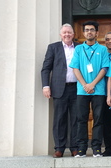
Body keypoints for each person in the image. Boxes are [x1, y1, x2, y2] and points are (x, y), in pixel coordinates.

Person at [69, 21, 109, 157]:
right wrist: (85, 84)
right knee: (81, 119)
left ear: (97, 33)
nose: (89, 32)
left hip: (99, 90)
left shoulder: (103, 49)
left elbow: (104, 68)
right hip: (82, 90)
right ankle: (81, 148)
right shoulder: (78, 49)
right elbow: (75, 68)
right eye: (86, 30)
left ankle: (97, 148)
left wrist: (92, 84)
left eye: (92, 30)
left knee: (98, 119)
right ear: (84, 33)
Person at [41, 23, 79, 158]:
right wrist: (46, 86)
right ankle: (59, 148)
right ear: (61, 35)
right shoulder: (53, 48)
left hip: (76, 88)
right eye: (65, 33)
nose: (67, 35)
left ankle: (75, 147)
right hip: (59, 89)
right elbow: (46, 68)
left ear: (73, 34)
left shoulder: (79, 48)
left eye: (69, 32)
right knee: (59, 120)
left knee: (76, 119)